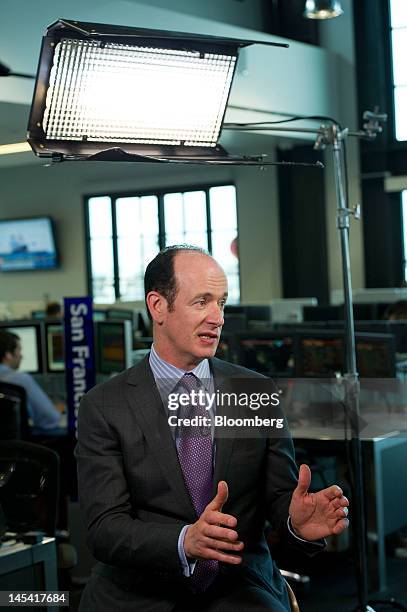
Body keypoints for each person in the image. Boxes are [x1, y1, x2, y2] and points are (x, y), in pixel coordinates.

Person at [76, 245, 349, 612]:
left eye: (221, 303)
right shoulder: (105, 405)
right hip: (140, 593)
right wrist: (185, 540)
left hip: (237, 585)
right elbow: (104, 528)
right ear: (158, 306)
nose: (217, 318)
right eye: (202, 301)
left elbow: (280, 499)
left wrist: (296, 522)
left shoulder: (255, 392)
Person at [0, 330, 64, 433]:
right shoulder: (21, 380)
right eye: (19, 350)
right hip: (15, 446)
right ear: (8, 355)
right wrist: (56, 410)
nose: (21, 356)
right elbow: (50, 419)